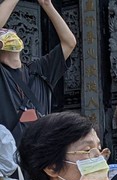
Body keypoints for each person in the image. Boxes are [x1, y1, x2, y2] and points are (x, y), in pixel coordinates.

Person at [0, 0, 76, 145]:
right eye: (3, 33)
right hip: (10, 161)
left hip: (40, 155)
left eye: (12, 33)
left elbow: (69, 43)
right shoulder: (2, 74)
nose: (9, 35)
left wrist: (47, 5)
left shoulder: (38, 70)